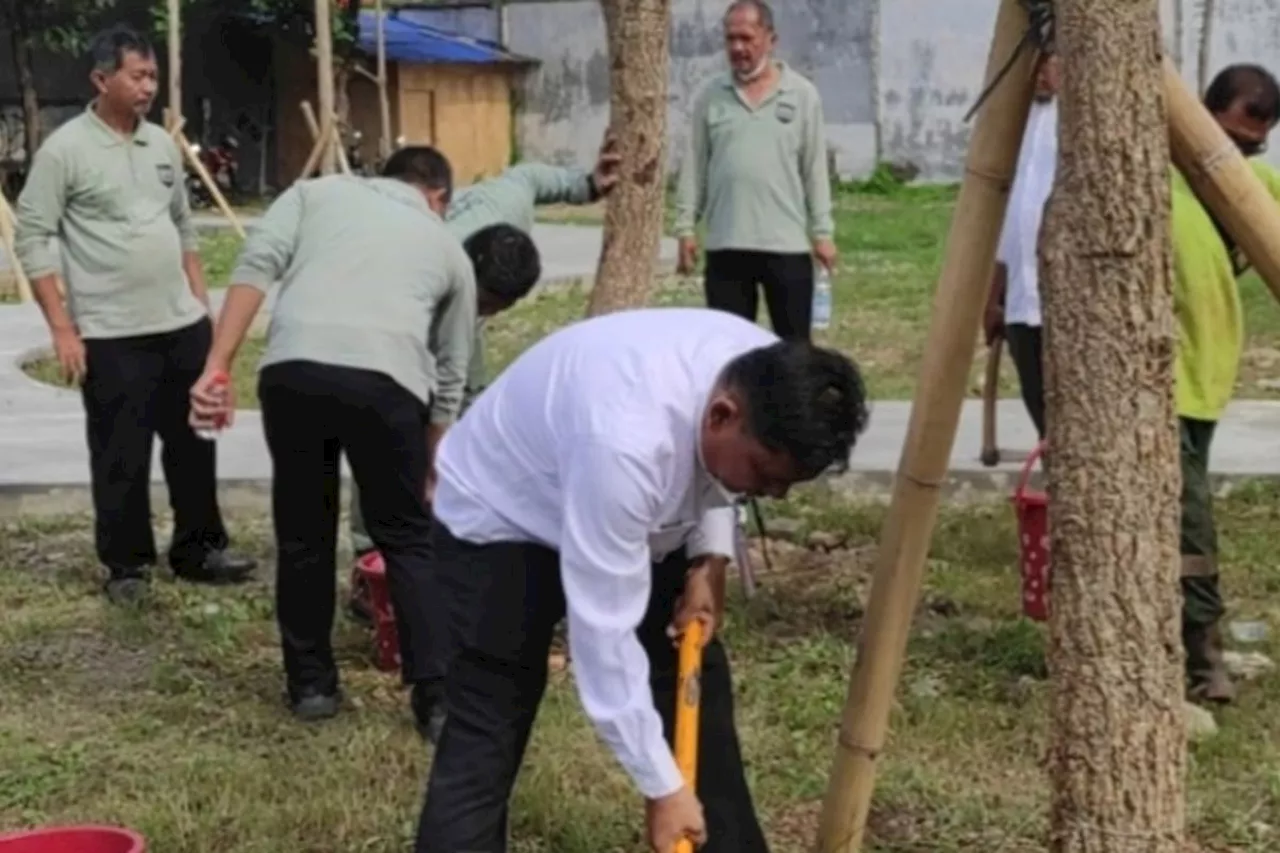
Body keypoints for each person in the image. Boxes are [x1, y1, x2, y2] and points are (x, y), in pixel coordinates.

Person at [412, 306, 868, 853]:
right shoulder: (626, 439)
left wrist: (709, 559)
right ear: (721, 415)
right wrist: (661, 787)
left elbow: (726, 478)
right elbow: (604, 637)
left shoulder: (767, 371)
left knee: (695, 677)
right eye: (766, 478)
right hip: (500, 513)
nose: (774, 496)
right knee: (493, 709)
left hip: (625, 497)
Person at [189, 146, 541, 721]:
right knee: (405, 537)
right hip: (387, 385)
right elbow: (450, 372)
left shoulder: (314, 193)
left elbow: (256, 263)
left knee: (304, 533)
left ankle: (311, 687)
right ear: (437, 197)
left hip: (292, 372)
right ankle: (435, 698)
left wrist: (217, 365)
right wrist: (431, 463)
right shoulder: (446, 244)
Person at [13, 23, 255, 605]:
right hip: (112, 332)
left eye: (153, 76)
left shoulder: (162, 145)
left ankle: (200, 548)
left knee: (195, 440)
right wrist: (62, 328)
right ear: (102, 78)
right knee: (121, 452)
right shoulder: (65, 150)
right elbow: (33, 236)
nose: (149, 87)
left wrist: (200, 304)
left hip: (180, 325)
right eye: (137, 75)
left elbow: (183, 225)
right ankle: (127, 565)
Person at [346, 135, 622, 570]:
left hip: (446, 312)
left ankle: (458, 520)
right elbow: (436, 381)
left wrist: (586, 184)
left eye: (497, 308)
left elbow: (528, 177)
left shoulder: (506, 208)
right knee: (389, 418)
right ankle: (369, 551)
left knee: (474, 407)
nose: (485, 313)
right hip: (388, 325)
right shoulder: (419, 270)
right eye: (482, 304)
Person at [1173, 63, 1280, 705]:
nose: (1232, 159)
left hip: (1206, 384)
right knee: (1190, 526)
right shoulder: (1147, 178)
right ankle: (1203, 660)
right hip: (1160, 387)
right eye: (1224, 141)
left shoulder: (1246, 185)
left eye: (1248, 148)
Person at [674, 0, 836, 341]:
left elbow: (815, 170)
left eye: (746, 38)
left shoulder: (802, 95)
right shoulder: (710, 97)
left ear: (769, 39)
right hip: (726, 246)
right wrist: (686, 228)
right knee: (731, 352)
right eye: (731, 39)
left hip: (786, 246)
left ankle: (789, 399)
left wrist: (823, 233)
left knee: (793, 352)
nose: (737, 48)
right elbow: (695, 165)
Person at [983, 49, 1059, 438]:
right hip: (1020, 300)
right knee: (1040, 409)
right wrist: (994, 295)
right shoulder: (1016, 124)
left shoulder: (1082, 125)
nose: (1042, 73)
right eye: (1036, 63)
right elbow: (1010, 219)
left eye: (1051, 62)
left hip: (1066, 299)